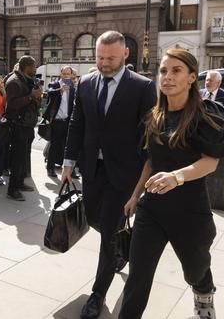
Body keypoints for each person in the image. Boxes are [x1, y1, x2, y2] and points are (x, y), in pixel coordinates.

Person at [120, 49, 224, 319]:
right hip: (152, 210)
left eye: (176, 70)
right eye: (163, 71)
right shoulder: (154, 116)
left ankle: (203, 296)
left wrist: (176, 177)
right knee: (138, 277)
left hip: (190, 212)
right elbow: (150, 161)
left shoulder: (205, 117)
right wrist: (135, 196)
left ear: (192, 77)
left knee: (195, 270)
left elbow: (210, 162)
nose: (167, 77)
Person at [62, 31, 156, 319]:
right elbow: (78, 124)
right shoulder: (86, 83)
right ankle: (118, 247)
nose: (104, 62)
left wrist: (144, 174)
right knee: (93, 219)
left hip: (124, 173)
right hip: (92, 169)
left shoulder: (142, 86)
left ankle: (98, 293)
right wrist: (68, 162)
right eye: (100, 57)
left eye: (110, 58)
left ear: (125, 54)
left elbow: (148, 134)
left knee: (108, 236)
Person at [5, 56, 42, 201]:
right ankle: (12, 189)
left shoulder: (25, 79)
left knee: (23, 157)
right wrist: (31, 96)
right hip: (18, 125)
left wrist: (36, 95)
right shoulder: (14, 81)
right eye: (34, 66)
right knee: (17, 158)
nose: (35, 69)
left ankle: (20, 183)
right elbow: (12, 104)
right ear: (27, 67)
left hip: (27, 124)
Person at [43, 65, 76, 177]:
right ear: (61, 73)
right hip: (56, 121)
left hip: (68, 120)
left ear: (71, 75)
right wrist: (59, 90)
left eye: (68, 74)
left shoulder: (73, 87)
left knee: (69, 145)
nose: (66, 76)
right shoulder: (56, 84)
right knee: (55, 144)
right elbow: (48, 92)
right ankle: (50, 168)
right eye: (64, 73)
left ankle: (70, 169)